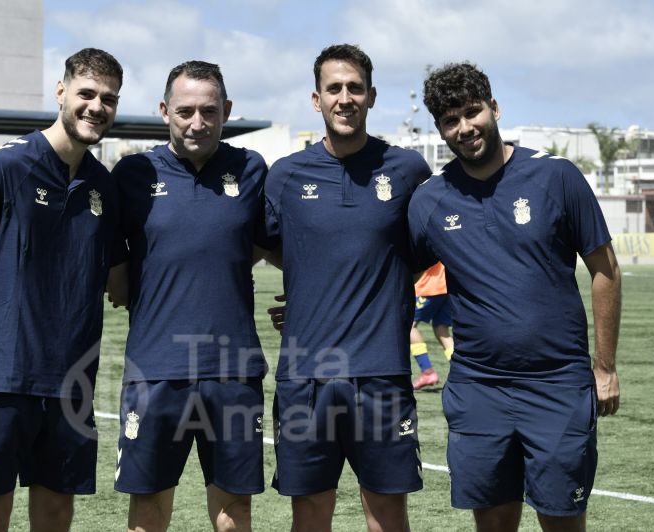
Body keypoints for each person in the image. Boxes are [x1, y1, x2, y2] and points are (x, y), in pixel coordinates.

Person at [409, 62, 621, 532]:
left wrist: (604, 367)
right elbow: (387, 275)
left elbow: (605, 270)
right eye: (450, 120)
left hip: (559, 385)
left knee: (563, 520)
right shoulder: (430, 201)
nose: (465, 128)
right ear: (440, 129)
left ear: (494, 108)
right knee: (494, 523)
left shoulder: (557, 177)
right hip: (479, 388)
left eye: (472, 112)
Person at [0, 48, 125, 532]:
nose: (96, 106)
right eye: (86, 93)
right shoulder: (5, 166)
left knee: (57, 512)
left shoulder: (104, 186)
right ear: (61, 92)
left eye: (109, 98)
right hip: (1, 376)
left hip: (73, 382)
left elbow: (124, 284)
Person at [264, 44, 432, 531]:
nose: (345, 97)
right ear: (316, 100)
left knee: (387, 516)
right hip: (305, 378)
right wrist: (308, 285)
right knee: (310, 516)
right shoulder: (285, 176)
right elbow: (271, 247)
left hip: (381, 375)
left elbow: (426, 246)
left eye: (354, 87)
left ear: (372, 96)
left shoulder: (408, 170)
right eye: (333, 88)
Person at [112, 61, 275, 532]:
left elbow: (265, 244)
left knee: (234, 514)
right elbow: (107, 261)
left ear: (226, 110)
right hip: (155, 370)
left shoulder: (251, 169)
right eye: (185, 111)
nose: (197, 122)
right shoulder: (133, 173)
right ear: (165, 111)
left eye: (208, 111)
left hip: (234, 370)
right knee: (148, 512)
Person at [410, 262, 453, 390]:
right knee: (442, 330)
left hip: (428, 287)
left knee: (408, 326)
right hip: (446, 286)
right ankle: (462, 371)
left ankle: (427, 371)